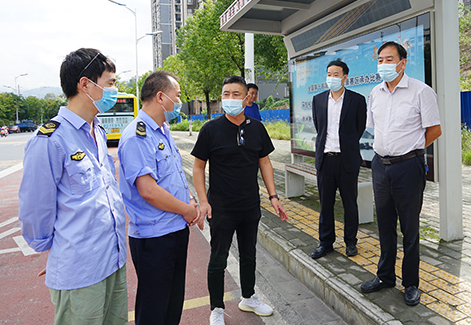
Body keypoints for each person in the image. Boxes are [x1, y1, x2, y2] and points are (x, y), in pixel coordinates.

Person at [18, 48, 128, 325]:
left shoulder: (97, 131)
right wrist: (58, 253)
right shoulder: (50, 139)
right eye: (110, 83)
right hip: (80, 271)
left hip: (113, 259)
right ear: (85, 84)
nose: (114, 90)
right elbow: (35, 209)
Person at [191, 75, 288, 325]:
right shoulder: (210, 129)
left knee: (249, 254)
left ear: (246, 98)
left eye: (236, 94)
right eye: (226, 94)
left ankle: (249, 297)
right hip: (220, 207)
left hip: (249, 204)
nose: (230, 98)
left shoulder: (257, 128)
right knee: (218, 258)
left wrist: (273, 196)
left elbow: (265, 163)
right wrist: (203, 201)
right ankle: (216, 308)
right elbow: (198, 167)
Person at [360, 41, 442, 307]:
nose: (383, 64)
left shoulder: (421, 91)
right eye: (380, 60)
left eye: (389, 59)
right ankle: (385, 276)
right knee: (384, 224)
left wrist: (411, 149)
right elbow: (373, 128)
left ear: (402, 63)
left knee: (409, 227)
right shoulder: (375, 93)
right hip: (380, 166)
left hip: (408, 166)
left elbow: (434, 130)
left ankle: (411, 283)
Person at [118, 70, 200, 325]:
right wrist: (186, 210)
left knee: (172, 305)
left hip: (174, 230)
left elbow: (173, 176)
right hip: (154, 237)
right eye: (177, 96)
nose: (180, 102)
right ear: (161, 97)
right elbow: (148, 190)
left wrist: (190, 199)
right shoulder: (137, 136)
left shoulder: (162, 130)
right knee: (154, 310)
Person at [310, 59, 367, 259]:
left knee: (350, 203)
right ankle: (326, 242)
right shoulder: (318, 100)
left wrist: (347, 146)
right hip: (325, 160)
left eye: (336, 74)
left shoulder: (356, 100)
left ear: (345, 77)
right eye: (329, 74)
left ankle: (351, 242)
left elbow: (359, 128)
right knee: (325, 204)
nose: (331, 78)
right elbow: (319, 128)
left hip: (347, 160)